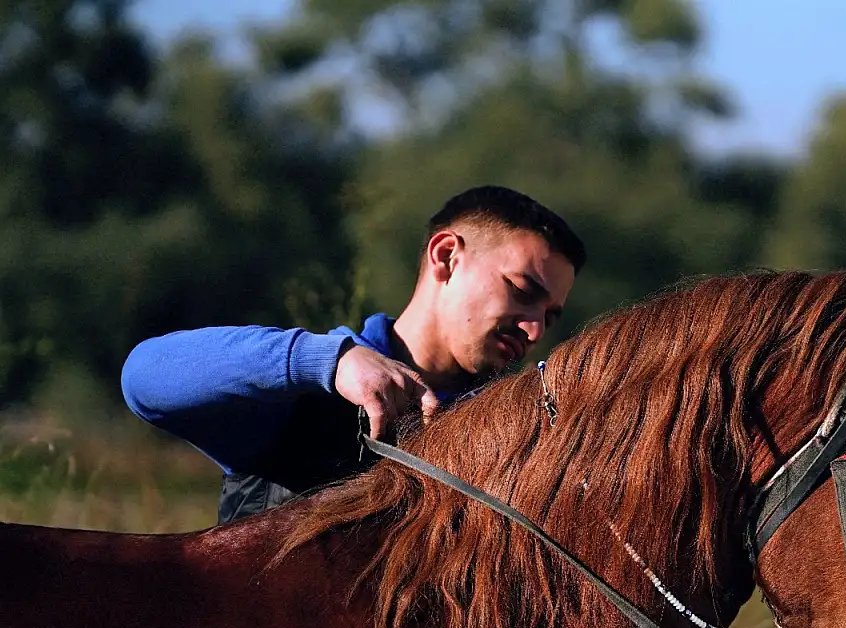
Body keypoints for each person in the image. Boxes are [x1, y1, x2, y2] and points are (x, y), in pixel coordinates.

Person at [121, 185, 586, 524]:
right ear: (446, 257)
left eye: (550, 317)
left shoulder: (527, 437)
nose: (533, 329)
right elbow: (144, 378)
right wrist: (327, 361)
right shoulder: (305, 391)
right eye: (523, 290)